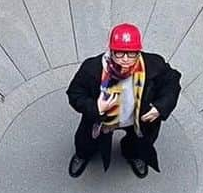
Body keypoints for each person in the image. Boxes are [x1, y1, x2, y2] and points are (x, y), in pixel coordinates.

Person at [66, 23, 181, 179]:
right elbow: (75, 92)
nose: (125, 60)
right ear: (111, 51)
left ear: (138, 52)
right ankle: (83, 155)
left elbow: (171, 83)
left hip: (138, 118)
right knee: (86, 141)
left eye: (131, 54)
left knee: (138, 142)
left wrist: (160, 108)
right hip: (102, 120)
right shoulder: (92, 68)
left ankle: (134, 155)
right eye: (120, 54)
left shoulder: (153, 64)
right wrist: (96, 107)